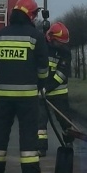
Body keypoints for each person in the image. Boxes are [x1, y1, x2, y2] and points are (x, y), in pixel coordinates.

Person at [0, 0, 51, 173]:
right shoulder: (36, 37)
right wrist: (41, 84)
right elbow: (43, 67)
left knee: (0, 131)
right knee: (28, 133)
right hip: (27, 96)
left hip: (3, 95)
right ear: (31, 15)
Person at [37, 21, 72, 155]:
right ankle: (41, 148)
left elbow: (61, 74)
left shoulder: (65, 52)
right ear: (51, 38)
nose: (62, 45)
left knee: (65, 121)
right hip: (41, 92)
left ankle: (68, 143)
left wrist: (47, 87)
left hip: (58, 92)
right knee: (40, 122)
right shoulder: (41, 47)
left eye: (64, 43)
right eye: (59, 42)